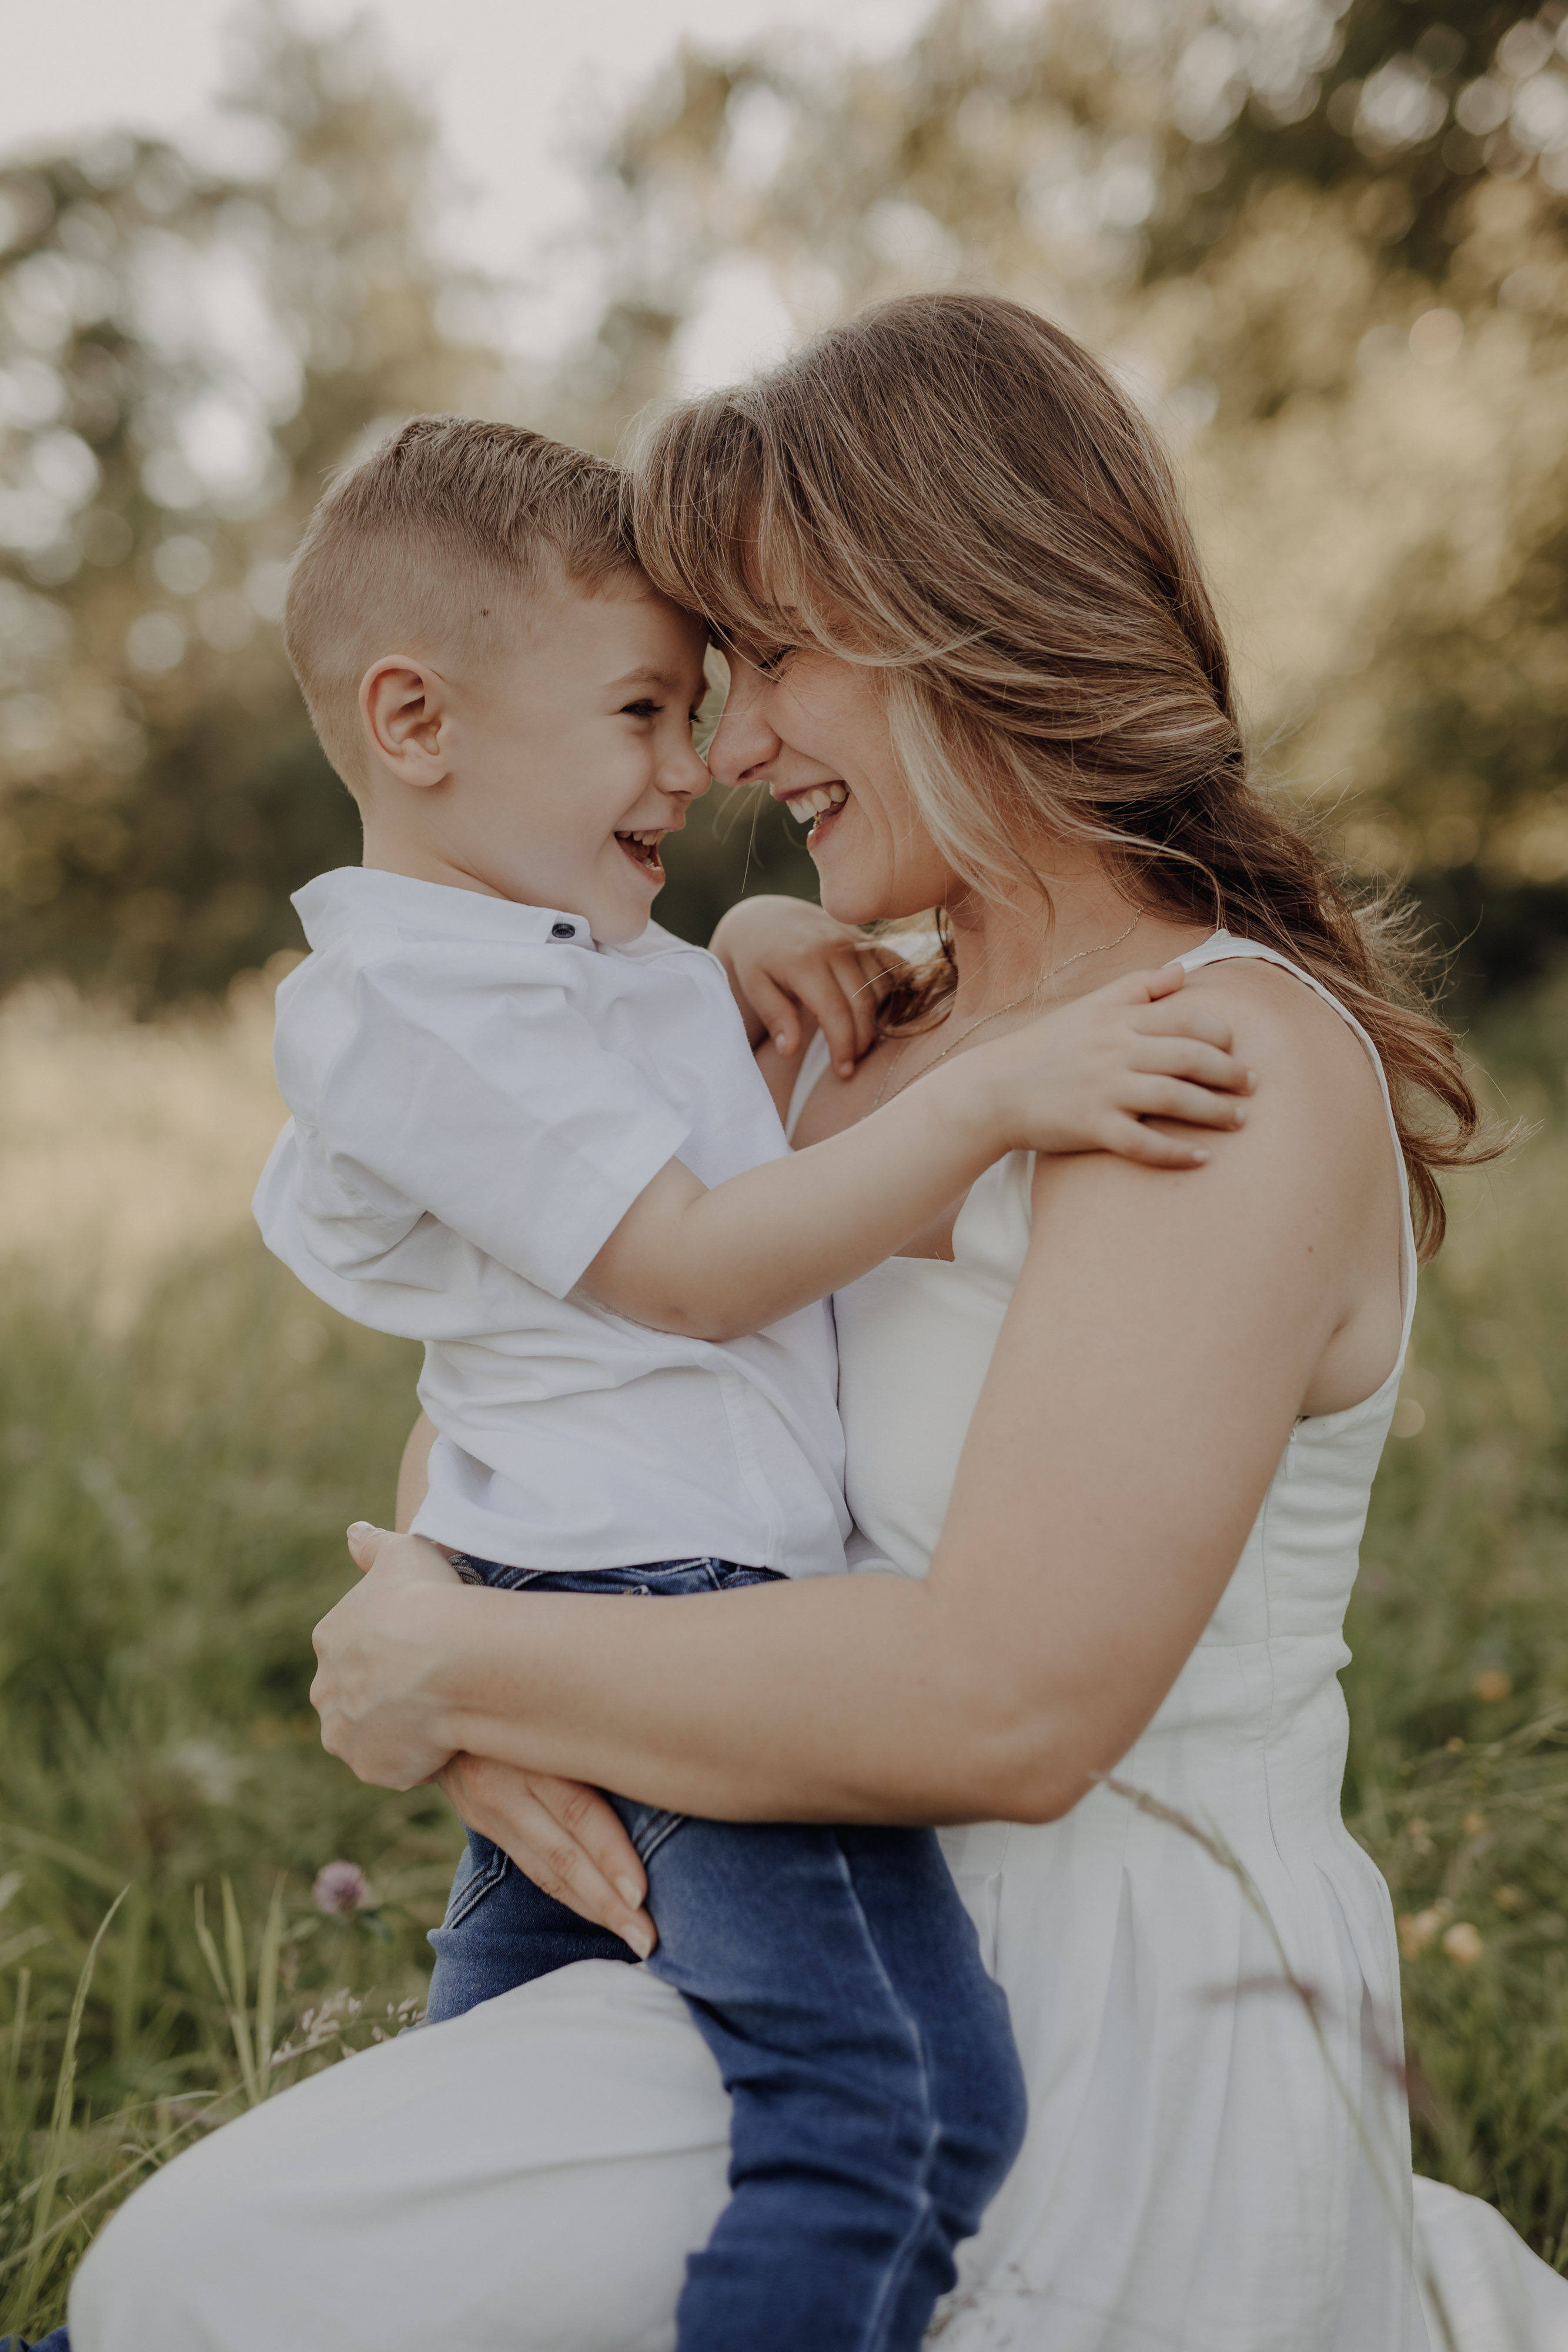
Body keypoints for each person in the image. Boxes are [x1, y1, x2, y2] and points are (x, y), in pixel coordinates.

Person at [68, 295, 1568, 2352]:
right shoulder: (836, 1030)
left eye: (771, 658)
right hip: (740, 1922)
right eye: (697, 681)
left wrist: (465, 1661)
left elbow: (1008, 1710)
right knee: (195, 2279)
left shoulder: (1204, 1066)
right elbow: (545, 1394)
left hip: (1094, 2011)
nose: (732, 752)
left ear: (968, 611)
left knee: (193, 2281)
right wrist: (486, 1689)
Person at [252, 413, 1252, 2352]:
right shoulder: (401, 1006)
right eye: (647, 707)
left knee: (487, 2168)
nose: (700, 761)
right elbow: (694, 1271)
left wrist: (753, 947)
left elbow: (621, 1055)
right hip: (669, 1619)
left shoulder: (542, 952)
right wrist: (989, 1100)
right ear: (414, 721)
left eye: (731, 688)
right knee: (892, 2111)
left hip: (623, 1610)